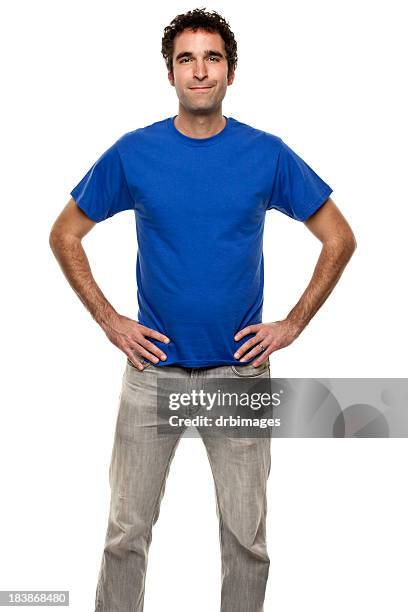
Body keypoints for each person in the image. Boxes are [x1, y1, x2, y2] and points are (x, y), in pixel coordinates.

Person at [49, 8, 356, 612]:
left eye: (211, 58)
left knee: (247, 540)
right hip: (152, 371)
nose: (199, 70)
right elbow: (64, 234)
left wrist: (292, 324)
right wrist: (110, 321)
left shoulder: (265, 154)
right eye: (186, 58)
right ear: (170, 73)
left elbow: (339, 238)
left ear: (230, 73)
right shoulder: (134, 153)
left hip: (238, 373)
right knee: (125, 535)